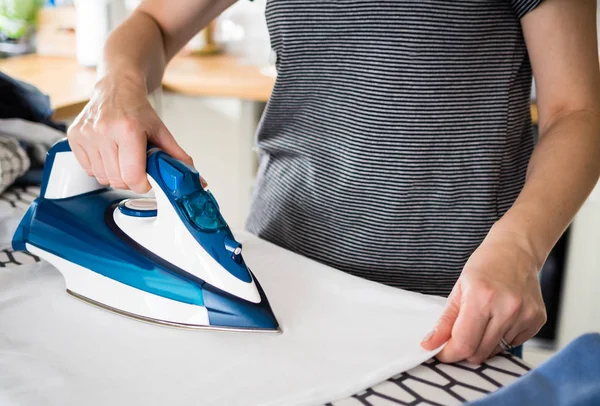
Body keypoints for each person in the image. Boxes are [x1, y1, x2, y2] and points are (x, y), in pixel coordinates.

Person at [67, 0, 600, 364]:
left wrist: (521, 247)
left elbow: (576, 112)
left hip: (456, 304)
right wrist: (117, 85)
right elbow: (154, 25)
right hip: (278, 279)